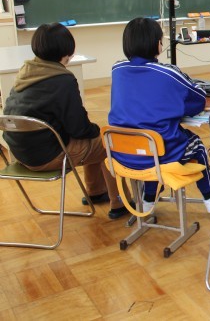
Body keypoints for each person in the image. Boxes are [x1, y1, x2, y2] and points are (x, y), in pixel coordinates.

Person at [2, 23, 128, 219]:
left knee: (93, 138)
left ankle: (95, 192)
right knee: (107, 142)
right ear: (67, 51)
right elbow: (79, 129)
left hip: (21, 153)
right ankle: (120, 202)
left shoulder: (26, 73)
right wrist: (96, 130)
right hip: (47, 157)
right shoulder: (62, 79)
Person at [108, 18, 210, 213]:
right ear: (157, 43)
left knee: (151, 141)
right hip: (159, 153)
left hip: (122, 154)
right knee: (197, 146)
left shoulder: (117, 69)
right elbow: (198, 99)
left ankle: (148, 199)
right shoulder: (168, 73)